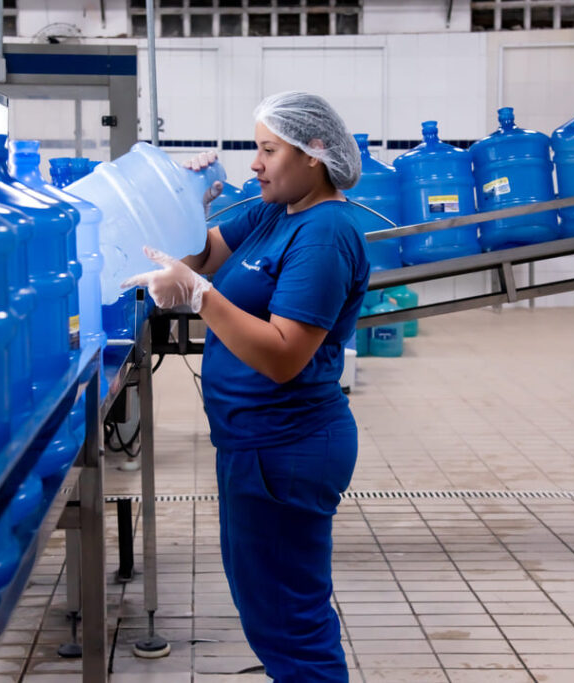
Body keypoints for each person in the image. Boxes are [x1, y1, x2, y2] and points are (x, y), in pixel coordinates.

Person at [122, 91, 370, 682]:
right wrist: (184, 200)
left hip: (288, 447)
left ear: (314, 154)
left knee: (291, 623)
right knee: (269, 611)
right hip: (251, 444)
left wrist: (203, 299)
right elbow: (202, 252)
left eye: (267, 149)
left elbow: (284, 356)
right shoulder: (273, 211)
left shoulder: (325, 231)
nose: (254, 163)